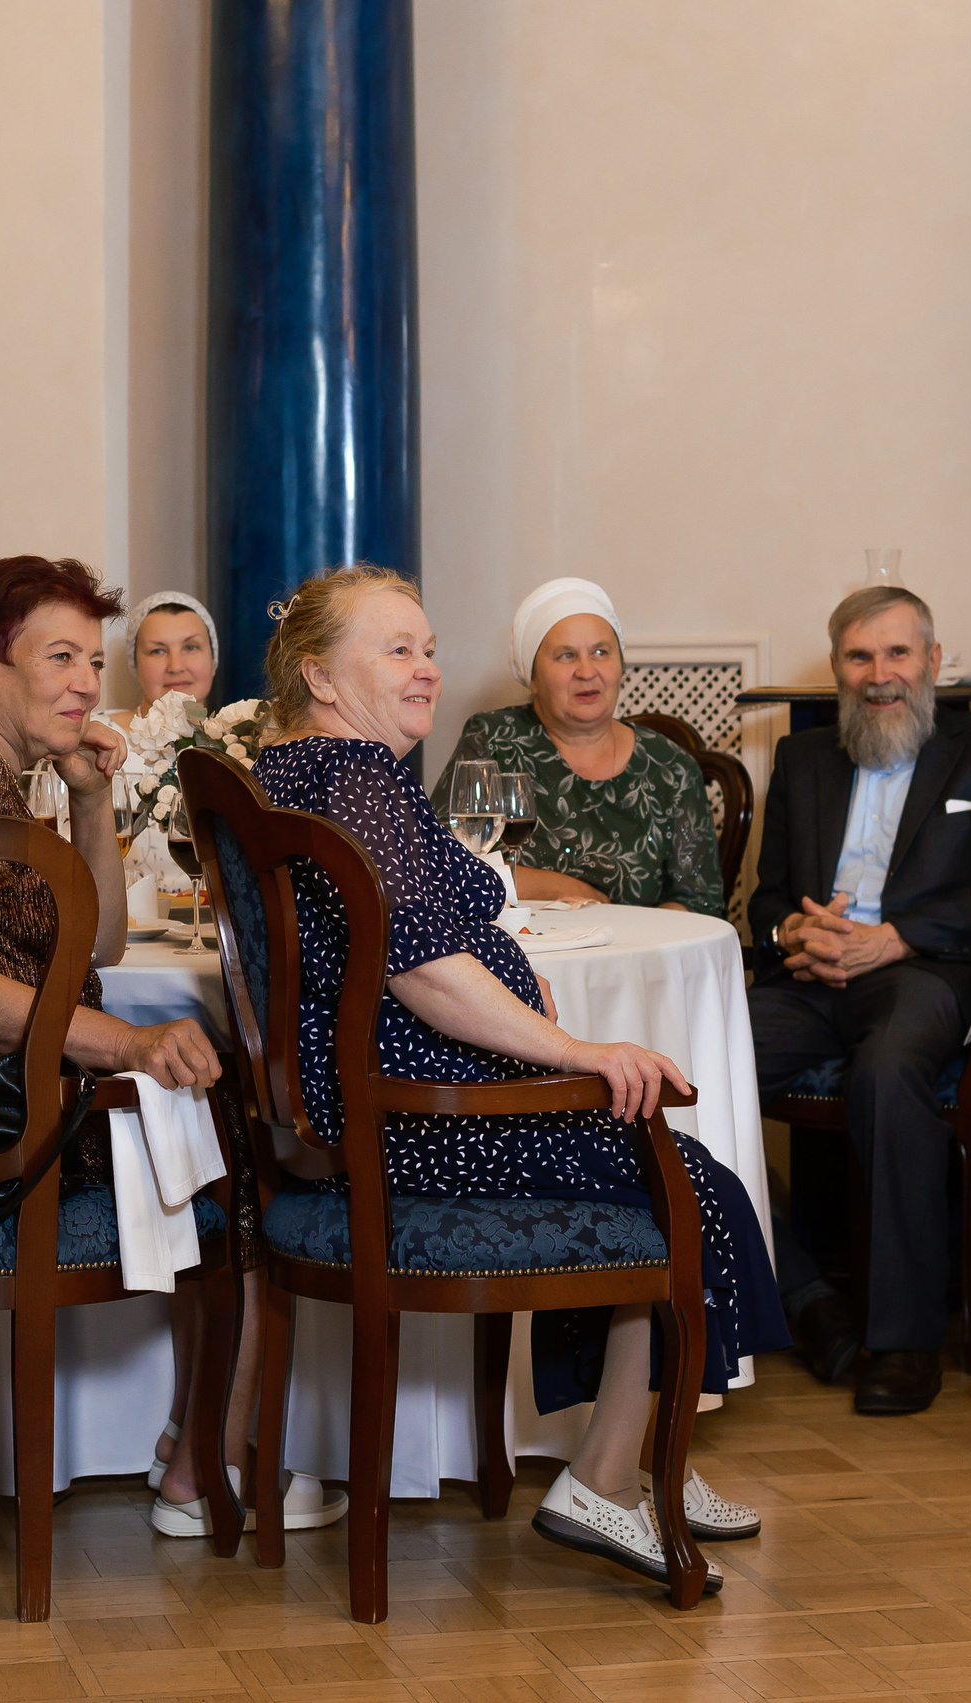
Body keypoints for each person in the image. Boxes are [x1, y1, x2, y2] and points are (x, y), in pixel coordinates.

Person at [250, 565, 782, 1594]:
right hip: (417, 1114)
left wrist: (495, 959)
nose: (426, 668)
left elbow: (430, 910)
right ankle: (605, 1473)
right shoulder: (352, 777)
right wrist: (582, 1051)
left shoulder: (297, 769)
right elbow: (420, 966)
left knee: (662, 1167)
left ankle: (625, 1463)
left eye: (428, 646)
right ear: (319, 673)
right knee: (690, 1187)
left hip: (357, 1100)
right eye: (395, 648)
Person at [0, 557, 320, 1534]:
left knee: (220, 1112)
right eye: (59, 656)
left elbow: (97, 944)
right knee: (251, 1153)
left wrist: (85, 797)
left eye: (92, 658)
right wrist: (128, 1041)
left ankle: (191, 1450)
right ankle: (203, 1460)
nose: (86, 682)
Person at [744, 586, 971, 1417]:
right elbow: (767, 902)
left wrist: (898, 935)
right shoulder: (806, 760)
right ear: (838, 667)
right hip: (810, 979)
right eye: (860, 657)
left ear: (934, 661)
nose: (881, 675)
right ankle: (807, 1297)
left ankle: (905, 1340)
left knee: (886, 1073)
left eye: (898, 653)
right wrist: (792, 936)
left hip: (921, 972)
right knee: (685, 1066)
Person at [437, 577, 725, 914]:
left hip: (632, 960)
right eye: (566, 656)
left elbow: (700, 902)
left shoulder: (671, 767)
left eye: (601, 652)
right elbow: (442, 863)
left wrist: (633, 946)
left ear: (620, 667)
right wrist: (565, 888)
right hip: (518, 953)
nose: (586, 671)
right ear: (533, 678)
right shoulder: (493, 740)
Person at [105, 590, 219, 730]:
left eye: (190, 647)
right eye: (158, 651)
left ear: (213, 660)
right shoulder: (96, 739)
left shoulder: (236, 746)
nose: (176, 667)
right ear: (135, 664)